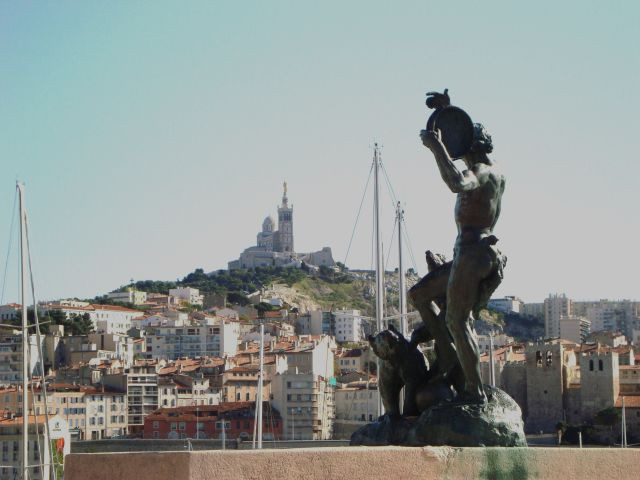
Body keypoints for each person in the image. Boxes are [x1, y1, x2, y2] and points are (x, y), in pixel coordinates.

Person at [409, 119, 505, 404]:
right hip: (476, 252)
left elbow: (456, 183)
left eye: (459, 143)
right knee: (418, 294)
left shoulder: (481, 172)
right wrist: (444, 112)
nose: (456, 149)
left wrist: (437, 148)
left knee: (457, 320)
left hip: (473, 252)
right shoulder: (495, 170)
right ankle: (449, 353)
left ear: (470, 146)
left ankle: (475, 393)